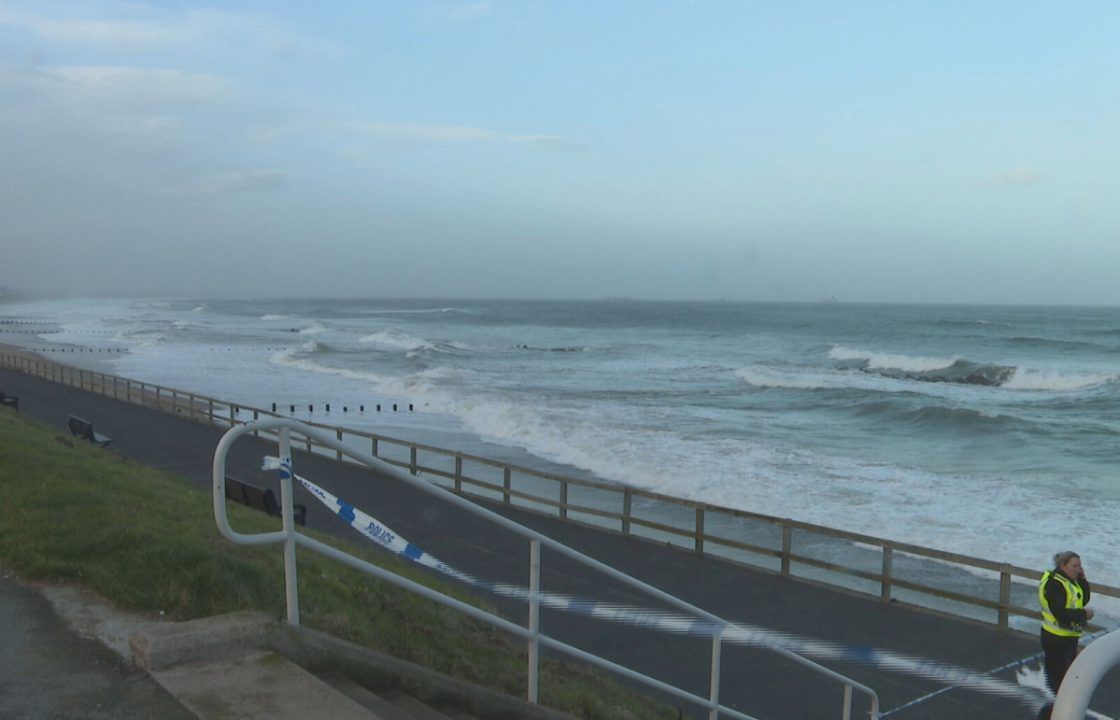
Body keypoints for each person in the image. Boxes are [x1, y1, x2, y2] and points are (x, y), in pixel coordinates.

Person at [1039, 550, 1093, 695]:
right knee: (1057, 677)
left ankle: (1060, 703)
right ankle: (1057, 708)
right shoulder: (1055, 584)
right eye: (1074, 566)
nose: (1078, 569)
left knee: (1065, 674)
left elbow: (1083, 599)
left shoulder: (1069, 582)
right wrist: (1084, 614)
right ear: (1063, 565)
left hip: (1068, 636)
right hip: (1055, 637)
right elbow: (1060, 613)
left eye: (1079, 566)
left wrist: (1082, 579)